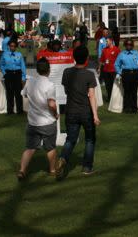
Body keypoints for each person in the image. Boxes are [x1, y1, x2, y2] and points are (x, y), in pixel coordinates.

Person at [56, 46, 101, 178]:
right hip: (86, 111)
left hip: (70, 110)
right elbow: (92, 96)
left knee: (70, 139)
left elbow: (66, 90)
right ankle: (87, 167)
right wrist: (95, 115)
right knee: (90, 140)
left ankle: (63, 158)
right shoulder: (89, 74)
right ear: (87, 59)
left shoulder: (67, 72)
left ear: (74, 57)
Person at [17, 57, 59, 181]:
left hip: (32, 122)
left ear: (37, 70)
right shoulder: (50, 85)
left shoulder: (30, 82)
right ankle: (52, 170)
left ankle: (22, 170)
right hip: (47, 121)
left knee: (30, 148)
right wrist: (56, 114)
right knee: (50, 147)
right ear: (49, 70)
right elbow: (51, 104)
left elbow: (23, 93)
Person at [114, 39, 138, 113]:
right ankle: (126, 108)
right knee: (127, 91)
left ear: (133, 45)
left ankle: (134, 108)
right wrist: (119, 72)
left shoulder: (136, 53)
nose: (129, 46)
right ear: (125, 45)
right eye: (127, 44)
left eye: (130, 44)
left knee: (134, 92)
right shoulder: (122, 54)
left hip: (135, 73)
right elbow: (116, 64)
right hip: (126, 73)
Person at [0, 40, 26, 114]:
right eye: (11, 46)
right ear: (9, 46)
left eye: (14, 46)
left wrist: (23, 77)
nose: (12, 47)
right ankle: (10, 110)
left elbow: (22, 66)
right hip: (9, 74)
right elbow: (1, 64)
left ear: (16, 47)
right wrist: (4, 73)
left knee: (18, 93)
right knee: (9, 92)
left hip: (17, 74)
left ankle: (19, 110)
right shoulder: (5, 54)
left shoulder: (19, 54)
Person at [99, 37, 120, 102]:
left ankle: (115, 98)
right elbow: (101, 60)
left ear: (111, 41)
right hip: (106, 70)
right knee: (108, 85)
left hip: (113, 71)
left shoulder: (116, 49)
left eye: (107, 41)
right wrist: (99, 68)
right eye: (106, 41)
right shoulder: (104, 50)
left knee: (114, 85)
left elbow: (120, 60)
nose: (106, 43)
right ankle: (109, 97)